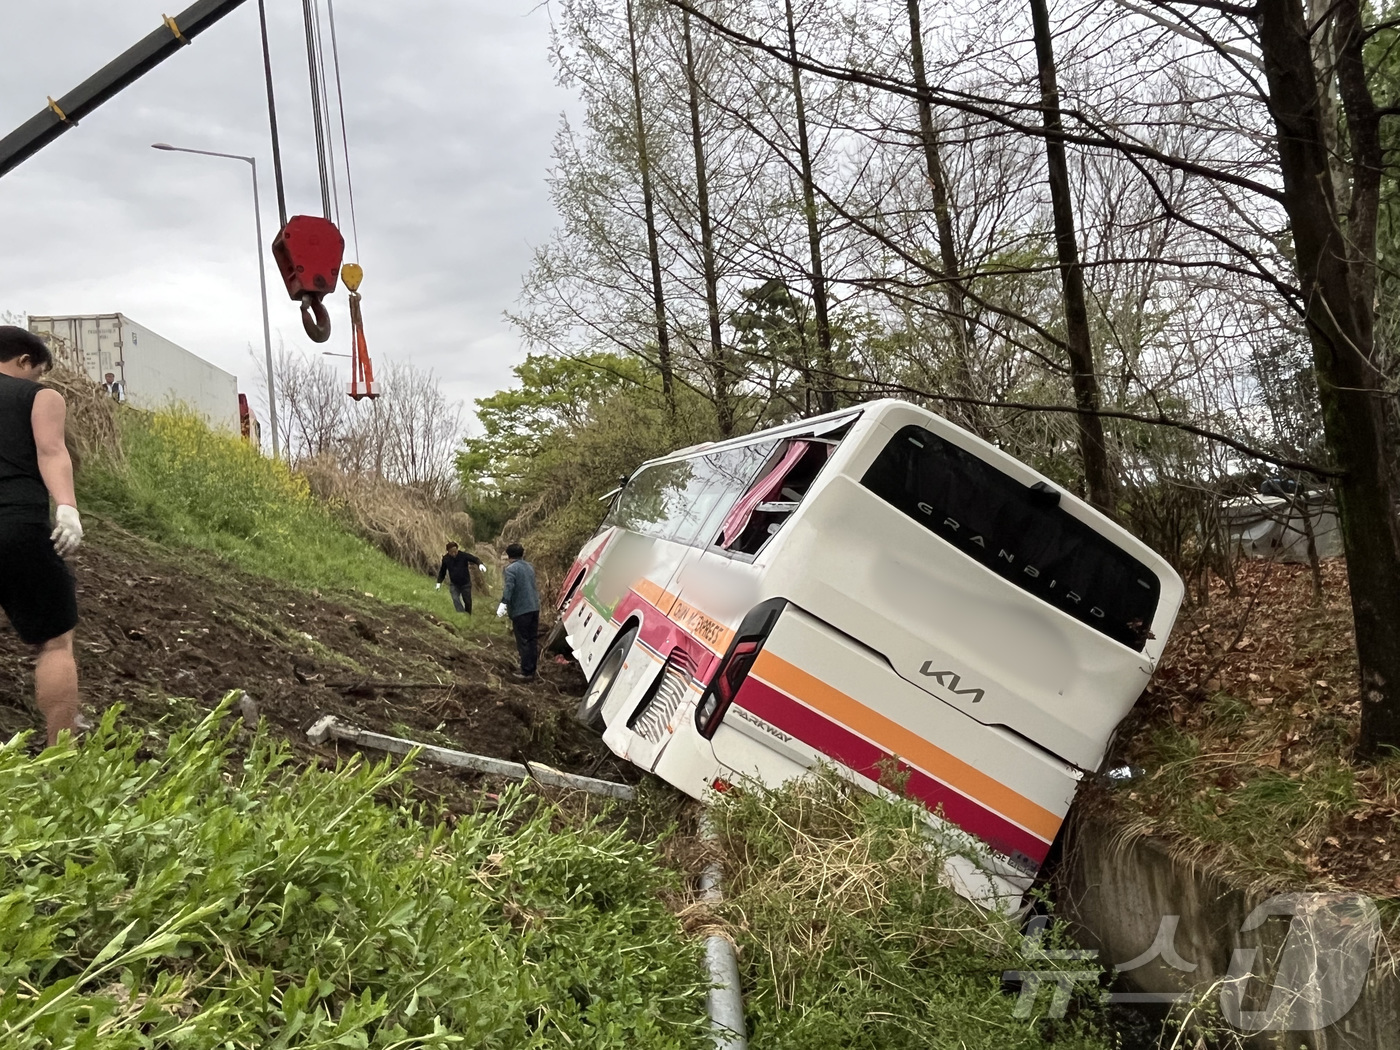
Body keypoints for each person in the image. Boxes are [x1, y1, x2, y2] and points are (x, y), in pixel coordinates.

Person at [0, 326, 85, 747]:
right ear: (24, 362)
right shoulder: (40, 397)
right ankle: (60, 754)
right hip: (16, 526)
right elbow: (51, 450)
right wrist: (66, 507)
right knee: (55, 641)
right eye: (38, 372)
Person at [497, 542, 540, 680]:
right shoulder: (530, 567)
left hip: (521, 610)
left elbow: (509, 587)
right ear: (522, 554)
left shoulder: (510, 569)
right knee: (532, 639)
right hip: (534, 607)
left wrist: (503, 603)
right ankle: (531, 668)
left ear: (509, 556)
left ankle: (526, 672)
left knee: (523, 641)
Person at [435, 541, 485, 614]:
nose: (454, 554)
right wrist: (439, 582)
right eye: (451, 552)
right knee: (455, 598)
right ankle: (461, 614)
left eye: (455, 551)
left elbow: (474, 559)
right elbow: (442, 571)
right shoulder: (446, 559)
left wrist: (480, 564)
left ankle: (468, 615)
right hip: (454, 584)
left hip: (466, 583)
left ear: (457, 549)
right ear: (448, 552)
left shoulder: (463, 555)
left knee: (467, 601)